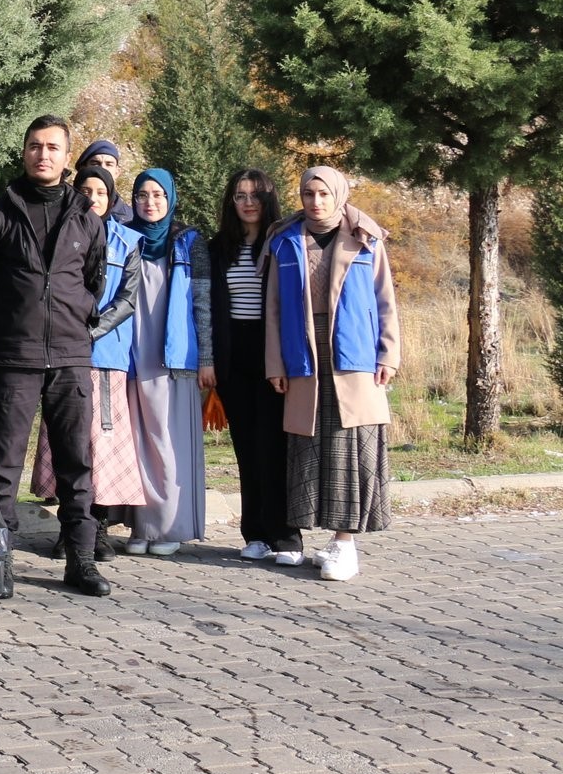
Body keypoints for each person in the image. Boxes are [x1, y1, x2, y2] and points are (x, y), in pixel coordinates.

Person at [0, 114, 111, 597]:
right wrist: (7, 330)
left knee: (75, 462)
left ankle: (81, 559)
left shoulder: (86, 217)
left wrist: (72, 318)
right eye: (34, 146)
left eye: (52, 147)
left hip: (70, 356)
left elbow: (95, 282)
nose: (42, 154)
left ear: (68, 157)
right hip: (12, 357)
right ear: (23, 152)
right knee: (1, 466)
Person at [266, 167, 400, 583]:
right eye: (308, 193)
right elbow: (272, 309)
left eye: (324, 193)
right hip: (303, 353)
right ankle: (326, 538)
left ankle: (345, 543)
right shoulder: (284, 240)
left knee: (348, 447)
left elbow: (385, 301)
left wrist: (388, 355)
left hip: (354, 355)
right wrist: (275, 364)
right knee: (310, 447)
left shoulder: (365, 237)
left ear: (339, 195)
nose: (316, 201)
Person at [122, 168, 212, 557]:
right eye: (142, 195)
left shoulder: (188, 242)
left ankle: (171, 526)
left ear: (171, 197)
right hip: (131, 355)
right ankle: (143, 525)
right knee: (138, 443)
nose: (150, 202)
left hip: (176, 359)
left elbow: (203, 304)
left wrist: (207, 357)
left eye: (158, 194)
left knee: (171, 441)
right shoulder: (125, 240)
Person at [212, 169, 298, 564]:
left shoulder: (283, 243)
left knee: (275, 446)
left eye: (255, 195)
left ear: (268, 200)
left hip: (274, 355)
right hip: (235, 357)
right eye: (239, 195)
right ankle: (256, 534)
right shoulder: (219, 248)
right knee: (246, 447)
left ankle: (286, 535)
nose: (248, 202)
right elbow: (211, 310)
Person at [72, 165, 146, 558]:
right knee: (70, 441)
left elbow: (128, 299)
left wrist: (91, 332)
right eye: (85, 191)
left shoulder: (128, 241)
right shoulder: (62, 235)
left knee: (102, 443)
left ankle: (97, 526)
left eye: (100, 192)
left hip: (105, 355)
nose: (92, 198)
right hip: (66, 354)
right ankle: (72, 528)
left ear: (111, 197)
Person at [78, 140, 136, 224]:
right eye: (95, 163)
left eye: (109, 164)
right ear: (83, 169)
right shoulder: (66, 210)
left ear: (117, 172)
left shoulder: (129, 219)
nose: (102, 169)